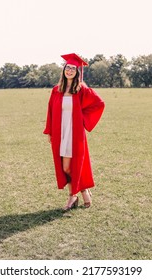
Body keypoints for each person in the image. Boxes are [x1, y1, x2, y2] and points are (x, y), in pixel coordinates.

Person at [43, 53, 105, 211]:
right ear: (63, 70)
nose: (69, 70)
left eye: (72, 68)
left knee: (71, 166)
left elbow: (99, 103)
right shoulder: (56, 90)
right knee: (65, 168)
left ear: (77, 72)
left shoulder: (81, 89)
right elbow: (50, 111)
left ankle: (73, 195)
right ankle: (82, 191)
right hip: (60, 133)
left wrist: (83, 120)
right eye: (67, 68)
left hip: (74, 133)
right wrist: (49, 131)